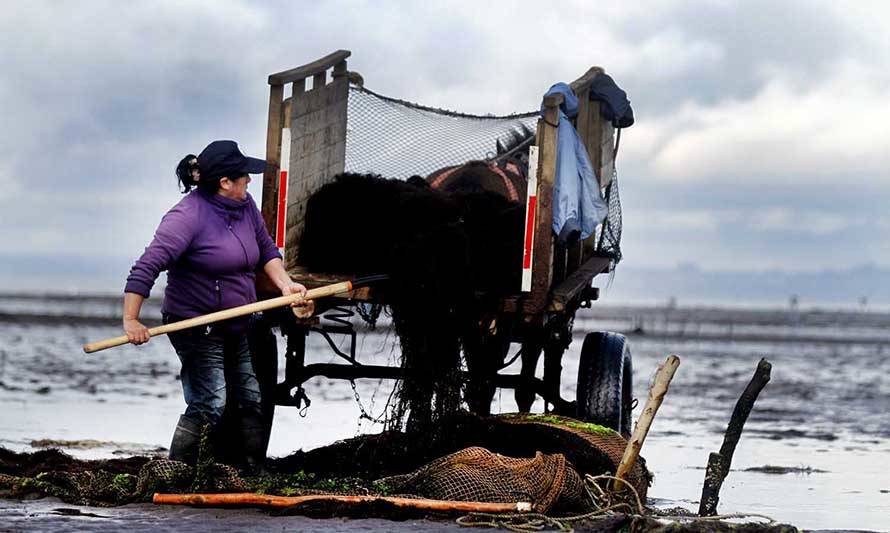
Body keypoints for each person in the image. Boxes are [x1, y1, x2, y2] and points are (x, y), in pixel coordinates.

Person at [122, 140, 312, 472]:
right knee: (210, 403)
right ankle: (174, 470)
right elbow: (146, 266)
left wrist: (286, 285)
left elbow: (266, 250)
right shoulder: (187, 217)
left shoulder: (245, 205)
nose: (249, 181)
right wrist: (131, 320)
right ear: (225, 182)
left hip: (236, 322)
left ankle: (251, 469)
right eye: (244, 176)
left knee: (250, 396)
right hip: (195, 324)